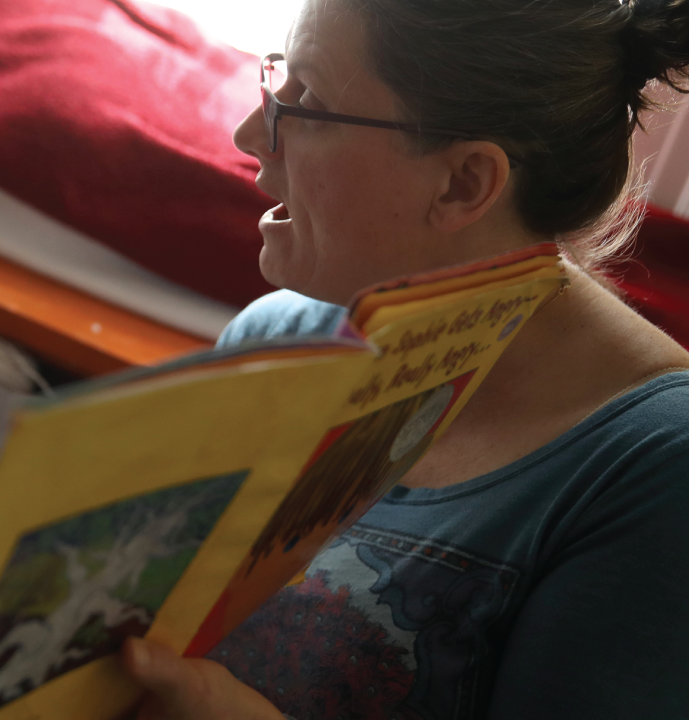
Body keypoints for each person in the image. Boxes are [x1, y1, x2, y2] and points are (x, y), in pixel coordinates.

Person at [119, 1, 689, 719]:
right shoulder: (273, 342)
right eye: (277, 83)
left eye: (312, 105)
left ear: (463, 184)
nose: (249, 135)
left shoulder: (655, 475)